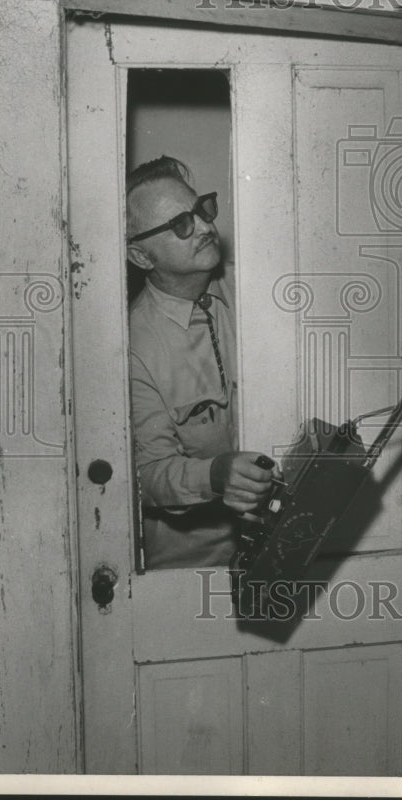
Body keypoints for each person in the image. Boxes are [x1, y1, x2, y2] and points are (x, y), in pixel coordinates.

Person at [126, 155, 276, 569]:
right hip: (195, 567)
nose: (206, 227)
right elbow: (148, 474)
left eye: (201, 210)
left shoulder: (256, 285)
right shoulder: (132, 345)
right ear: (141, 257)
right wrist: (215, 475)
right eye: (181, 224)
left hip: (280, 542)